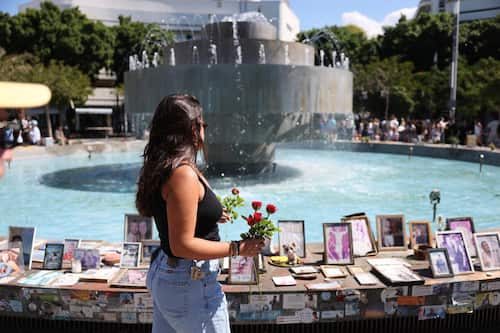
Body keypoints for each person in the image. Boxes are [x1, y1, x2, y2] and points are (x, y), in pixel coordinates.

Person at [135, 94, 264, 333]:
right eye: (203, 124)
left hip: (172, 276)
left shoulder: (166, 166)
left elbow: (176, 213)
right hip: (190, 281)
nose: (205, 129)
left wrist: (209, 214)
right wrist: (238, 248)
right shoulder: (182, 173)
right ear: (193, 129)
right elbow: (182, 245)